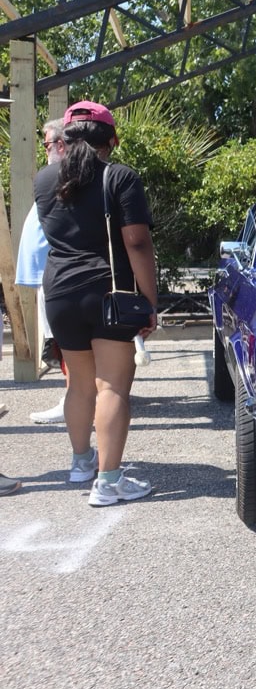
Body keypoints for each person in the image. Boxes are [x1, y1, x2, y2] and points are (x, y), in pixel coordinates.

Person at [35, 101, 159, 505]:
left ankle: (80, 463)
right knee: (112, 387)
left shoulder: (44, 179)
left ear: (66, 138)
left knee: (78, 384)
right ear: (113, 139)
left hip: (59, 294)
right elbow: (136, 242)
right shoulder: (120, 177)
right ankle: (108, 482)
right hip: (110, 294)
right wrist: (150, 300)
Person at [16, 119, 69, 424]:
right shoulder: (57, 176)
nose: (45, 150)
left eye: (47, 145)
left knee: (63, 340)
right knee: (59, 339)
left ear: (61, 145)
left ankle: (72, 399)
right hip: (47, 271)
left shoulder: (64, 176)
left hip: (55, 271)